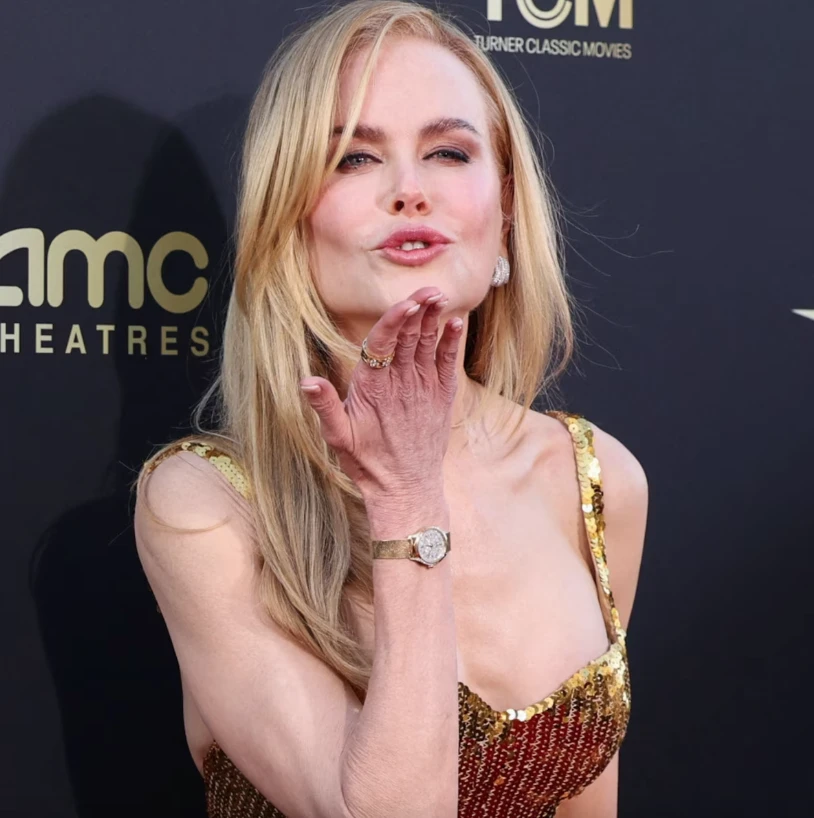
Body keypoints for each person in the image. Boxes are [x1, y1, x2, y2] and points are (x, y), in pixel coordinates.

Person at [133, 1, 649, 816]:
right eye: (354, 157)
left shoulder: (594, 479)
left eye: (448, 152)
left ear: (505, 211)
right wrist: (407, 501)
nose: (410, 191)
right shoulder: (207, 505)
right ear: (288, 215)